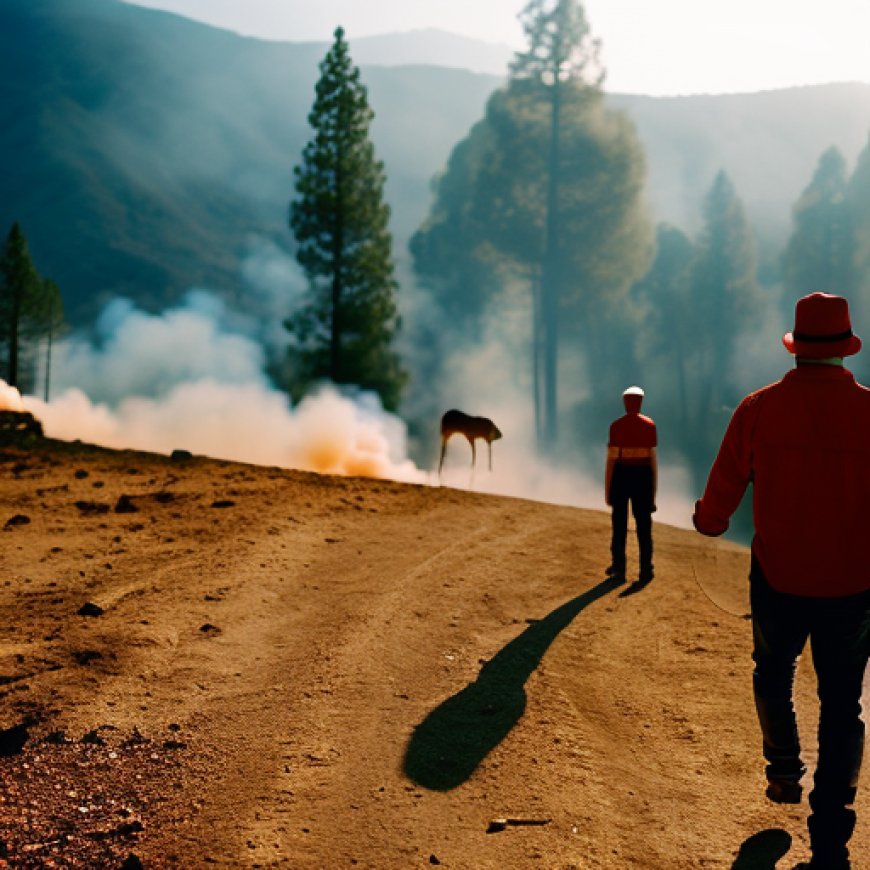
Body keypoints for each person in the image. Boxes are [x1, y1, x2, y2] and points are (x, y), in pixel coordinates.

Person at [693, 292, 870, 870]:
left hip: (778, 578)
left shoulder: (759, 408)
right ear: (845, 347)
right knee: (843, 706)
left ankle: (784, 770)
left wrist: (710, 521)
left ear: (796, 346)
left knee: (773, 674)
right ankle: (830, 841)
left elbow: (723, 489)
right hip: (852, 585)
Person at [605, 385, 657, 585]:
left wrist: (608, 488)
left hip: (621, 475)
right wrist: (653, 492)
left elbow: (611, 460)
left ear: (624, 402)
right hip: (643, 477)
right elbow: (653, 462)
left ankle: (619, 568)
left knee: (619, 525)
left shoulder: (616, 426)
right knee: (644, 526)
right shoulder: (649, 426)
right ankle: (646, 569)